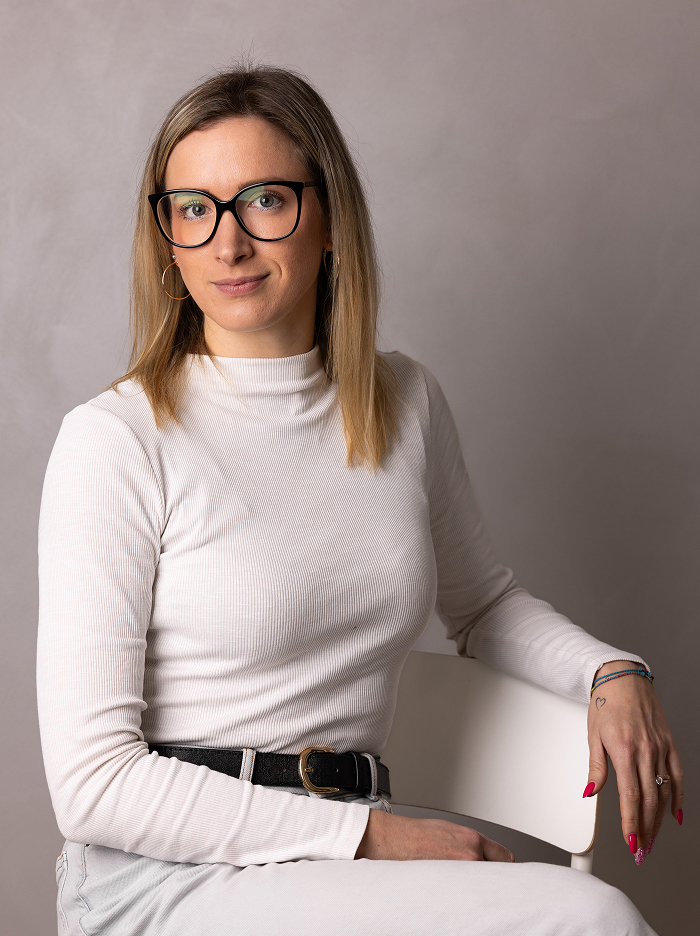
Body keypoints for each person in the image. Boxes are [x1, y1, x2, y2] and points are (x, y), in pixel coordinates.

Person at [37, 64, 681, 936]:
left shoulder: (404, 402)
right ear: (166, 240)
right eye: (192, 209)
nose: (227, 244)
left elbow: (484, 605)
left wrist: (611, 671)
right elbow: (94, 784)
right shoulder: (116, 439)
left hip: (341, 870)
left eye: (264, 200)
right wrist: (371, 836)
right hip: (167, 878)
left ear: (331, 217)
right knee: (588, 921)